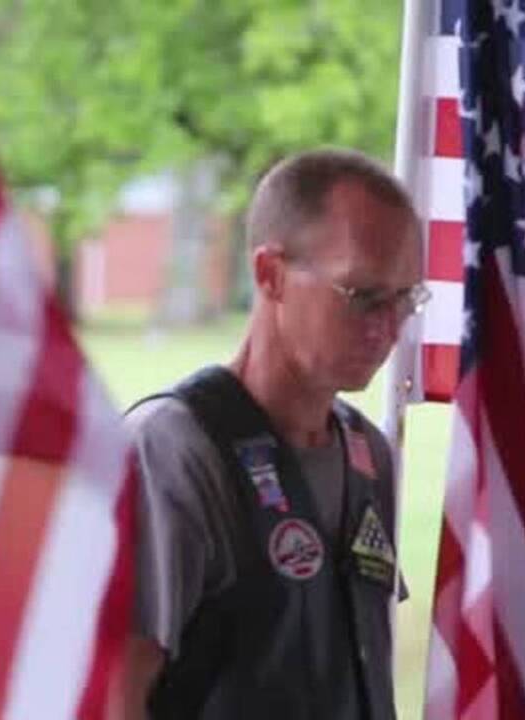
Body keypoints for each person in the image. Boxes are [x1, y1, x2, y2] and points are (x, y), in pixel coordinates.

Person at [123, 149, 425, 719]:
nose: (388, 328)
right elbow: (118, 685)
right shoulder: (177, 449)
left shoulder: (368, 455)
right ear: (270, 275)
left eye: (406, 298)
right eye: (363, 296)